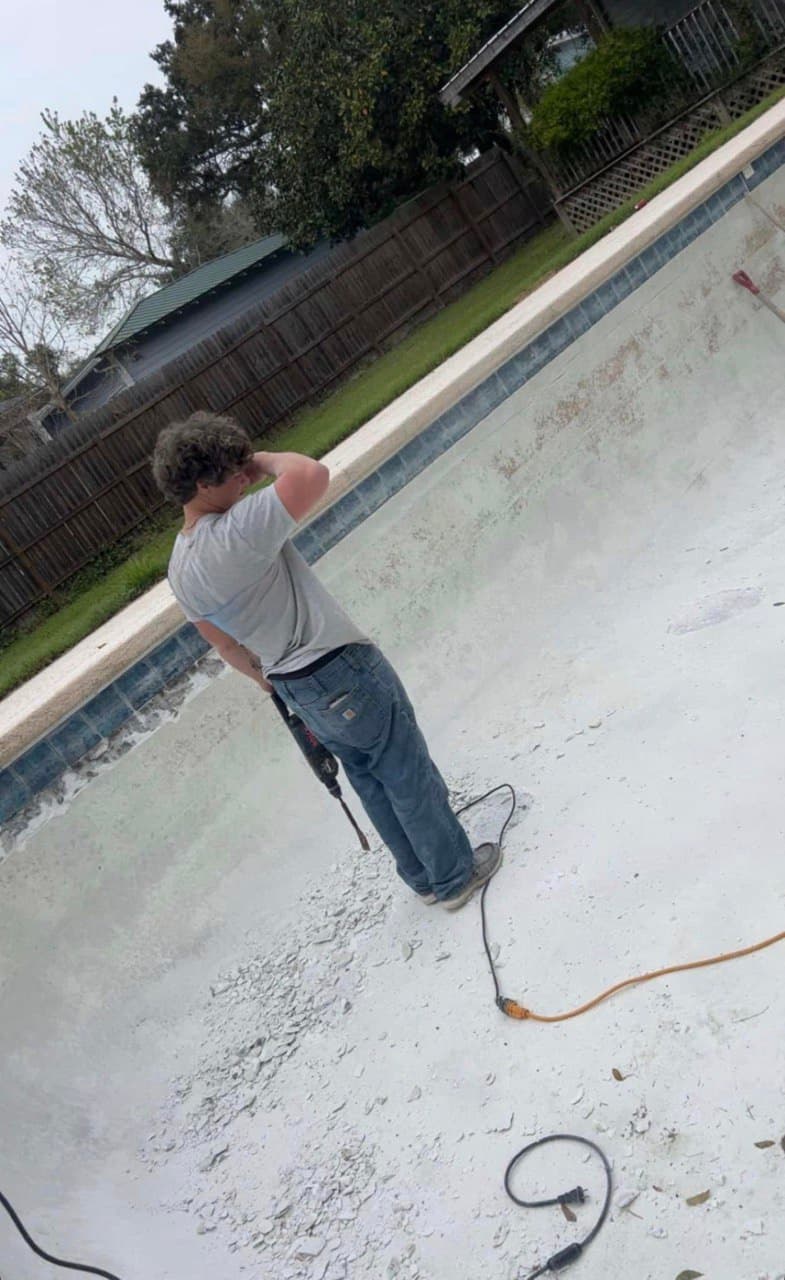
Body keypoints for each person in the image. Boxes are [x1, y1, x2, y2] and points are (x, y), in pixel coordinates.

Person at [152, 411, 500, 909]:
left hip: (293, 682)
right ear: (205, 483)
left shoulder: (180, 568)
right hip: (340, 666)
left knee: (367, 776)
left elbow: (227, 647)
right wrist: (263, 460)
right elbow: (311, 474)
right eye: (234, 474)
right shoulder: (238, 532)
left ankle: (422, 878)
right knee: (404, 769)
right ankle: (454, 877)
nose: (243, 480)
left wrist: (269, 680)